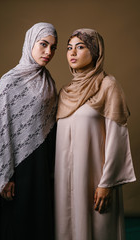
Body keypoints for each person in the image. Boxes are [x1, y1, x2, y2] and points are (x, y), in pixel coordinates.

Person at [54, 28, 136, 240]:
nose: (72, 53)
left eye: (80, 47)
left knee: (100, 229)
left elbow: (117, 138)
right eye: (69, 48)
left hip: (95, 180)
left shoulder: (108, 86)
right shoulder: (65, 92)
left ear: (95, 52)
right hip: (65, 181)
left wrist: (106, 183)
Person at [0, 22, 58, 240]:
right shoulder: (9, 81)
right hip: (17, 167)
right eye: (43, 44)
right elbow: (0, 130)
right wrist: (5, 176)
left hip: (42, 165)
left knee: (39, 224)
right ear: (30, 43)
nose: (48, 52)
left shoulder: (48, 81)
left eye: (53, 47)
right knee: (16, 225)